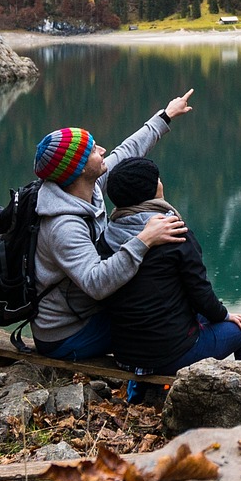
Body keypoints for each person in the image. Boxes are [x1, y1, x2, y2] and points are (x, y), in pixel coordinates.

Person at [28, 89, 195, 361]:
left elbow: (127, 151)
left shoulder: (86, 187)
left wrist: (165, 116)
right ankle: (148, 384)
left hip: (85, 311)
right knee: (164, 322)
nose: (103, 150)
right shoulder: (63, 226)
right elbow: (96, 283)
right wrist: (144, 239)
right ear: (80, 168)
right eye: (94, 150)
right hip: (67, 333)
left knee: (164, 308)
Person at [100, 156, 241, 379]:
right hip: (170, 356)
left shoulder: (108, 234)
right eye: (157, 179)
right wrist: (225, 315)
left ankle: (139, 390)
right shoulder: (174, 233)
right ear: (151, 190)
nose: (161, 182)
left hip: (125, 355)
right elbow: (200, 292)